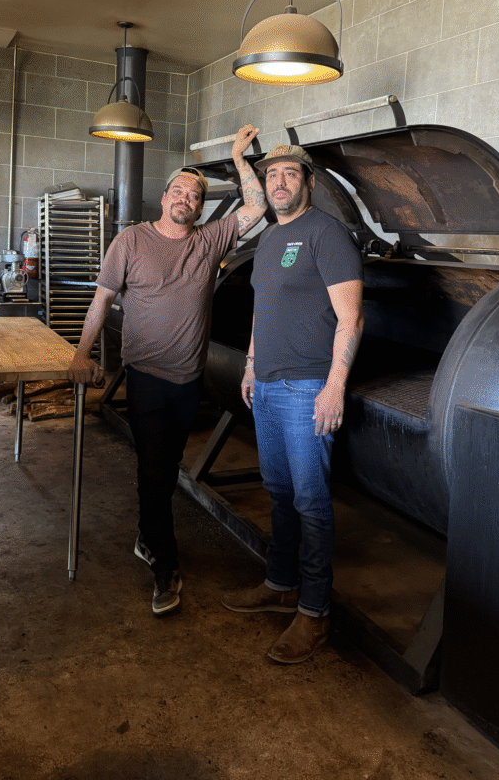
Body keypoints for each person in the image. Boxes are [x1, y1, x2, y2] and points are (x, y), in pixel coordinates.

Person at [68, 125, 266, 616]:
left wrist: (239, 157)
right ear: (164, 198)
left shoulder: (210, 240)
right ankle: (165, 567)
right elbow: (102, 300)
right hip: (146, 378)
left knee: (163, 469)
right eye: (178, 190)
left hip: (187, 382)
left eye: (194, 195)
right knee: (154, 471)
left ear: (200, 208)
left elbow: (258, 207)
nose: (186, 198)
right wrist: (81, 353)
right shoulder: (131, 241)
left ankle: (146, 535)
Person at [222, 143, 364, 664]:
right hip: (269, 386)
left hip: (308, 387)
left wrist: (334, 386)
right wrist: (252, 363)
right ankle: (280, 585)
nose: (279, 181)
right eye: (271, 174)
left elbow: (351, 318)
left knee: (310, 502)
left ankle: (314, 613)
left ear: (307, 181)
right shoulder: (269, 240)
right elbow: (263, 306)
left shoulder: (326, 234)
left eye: (289, 173)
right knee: (279, 493)